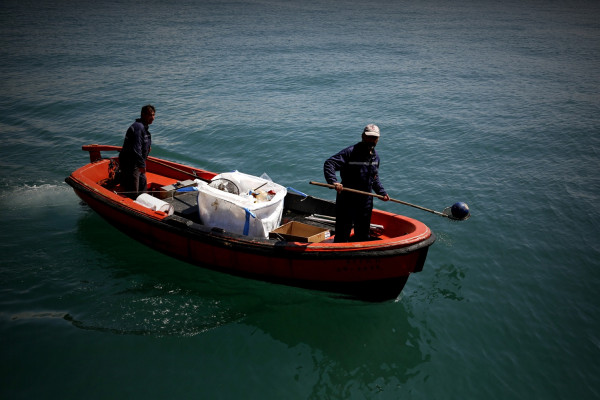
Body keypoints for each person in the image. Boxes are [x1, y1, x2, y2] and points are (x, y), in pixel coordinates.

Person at [324, 124, 390, 242]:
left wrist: (382, 192)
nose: (371, 140)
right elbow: (330, 164)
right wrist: (334, 182)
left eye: (374, 138)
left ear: (378, 139)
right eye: (369, 137)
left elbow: (374, 178)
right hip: (347, 200)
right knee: (342, 234)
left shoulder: (376, 158)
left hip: (365, 202)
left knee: (363, 235)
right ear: (363, 136)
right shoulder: (350, 152)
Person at [118, 105, 155, 198]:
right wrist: (142, 165)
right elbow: (136, 149)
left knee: (143, 185)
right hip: (131, 163)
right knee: (133, 190)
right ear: (143, 115)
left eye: (154, 115)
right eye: (150, 115)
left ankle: (144, 202)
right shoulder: (138, 127)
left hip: (138, 163)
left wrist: (147, 147)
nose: (153, 118)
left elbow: (143, 142)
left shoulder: (144, 127)